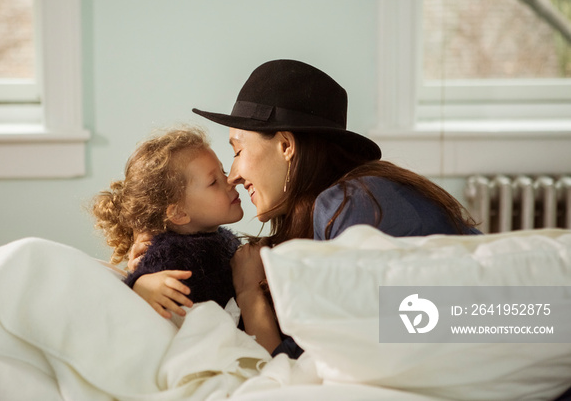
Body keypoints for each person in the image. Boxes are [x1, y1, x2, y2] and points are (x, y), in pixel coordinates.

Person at [131, 59, 480, 357]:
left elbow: (315, 356)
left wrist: (250, 292)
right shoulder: (337, 206)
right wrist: (161, 251)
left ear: (285, 145)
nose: (234, 176)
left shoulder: (353, 204)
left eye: (237, 151)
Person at [91, 127, 244, 319]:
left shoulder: (219, 237)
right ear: (179, 213)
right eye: (214, 182)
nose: (230, 180)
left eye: (223, 172)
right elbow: (140, 288)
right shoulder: (170, 253)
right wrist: (141, 284)